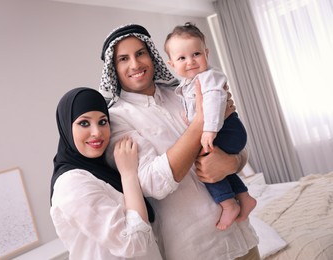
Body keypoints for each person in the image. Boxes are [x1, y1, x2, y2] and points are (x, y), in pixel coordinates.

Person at [99, 24, 260, 260]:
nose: (135, 64)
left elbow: (233, 144)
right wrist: (200, 123)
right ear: (113, 68)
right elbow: (151, 182)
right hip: (197, 248)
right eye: (124, 58)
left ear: (152, 55)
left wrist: (232, 162)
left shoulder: (185, 91)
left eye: (140, 53)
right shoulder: (116, 120)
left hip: (241, 237)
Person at [50, 87, 162, 259]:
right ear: (66, 127)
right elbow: (134, 243)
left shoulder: (101, 170)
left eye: (103, 122)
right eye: (84, 123)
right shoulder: (72, 185)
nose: (97, 132)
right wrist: (128, 174)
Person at [164, 22, 257, 231]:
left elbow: (214, 101)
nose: (190, 62)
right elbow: (198, 108)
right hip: (222, 129)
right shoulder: (188, 83)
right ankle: (243, 196)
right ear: (171, 64)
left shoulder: (209, 77)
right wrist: (189, 119)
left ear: (206, 53)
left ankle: (228, 204)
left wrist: (209, 130)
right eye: (182, 58)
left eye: (196, 54)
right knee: (217, 164)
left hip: (226, 129)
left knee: (202, 161)